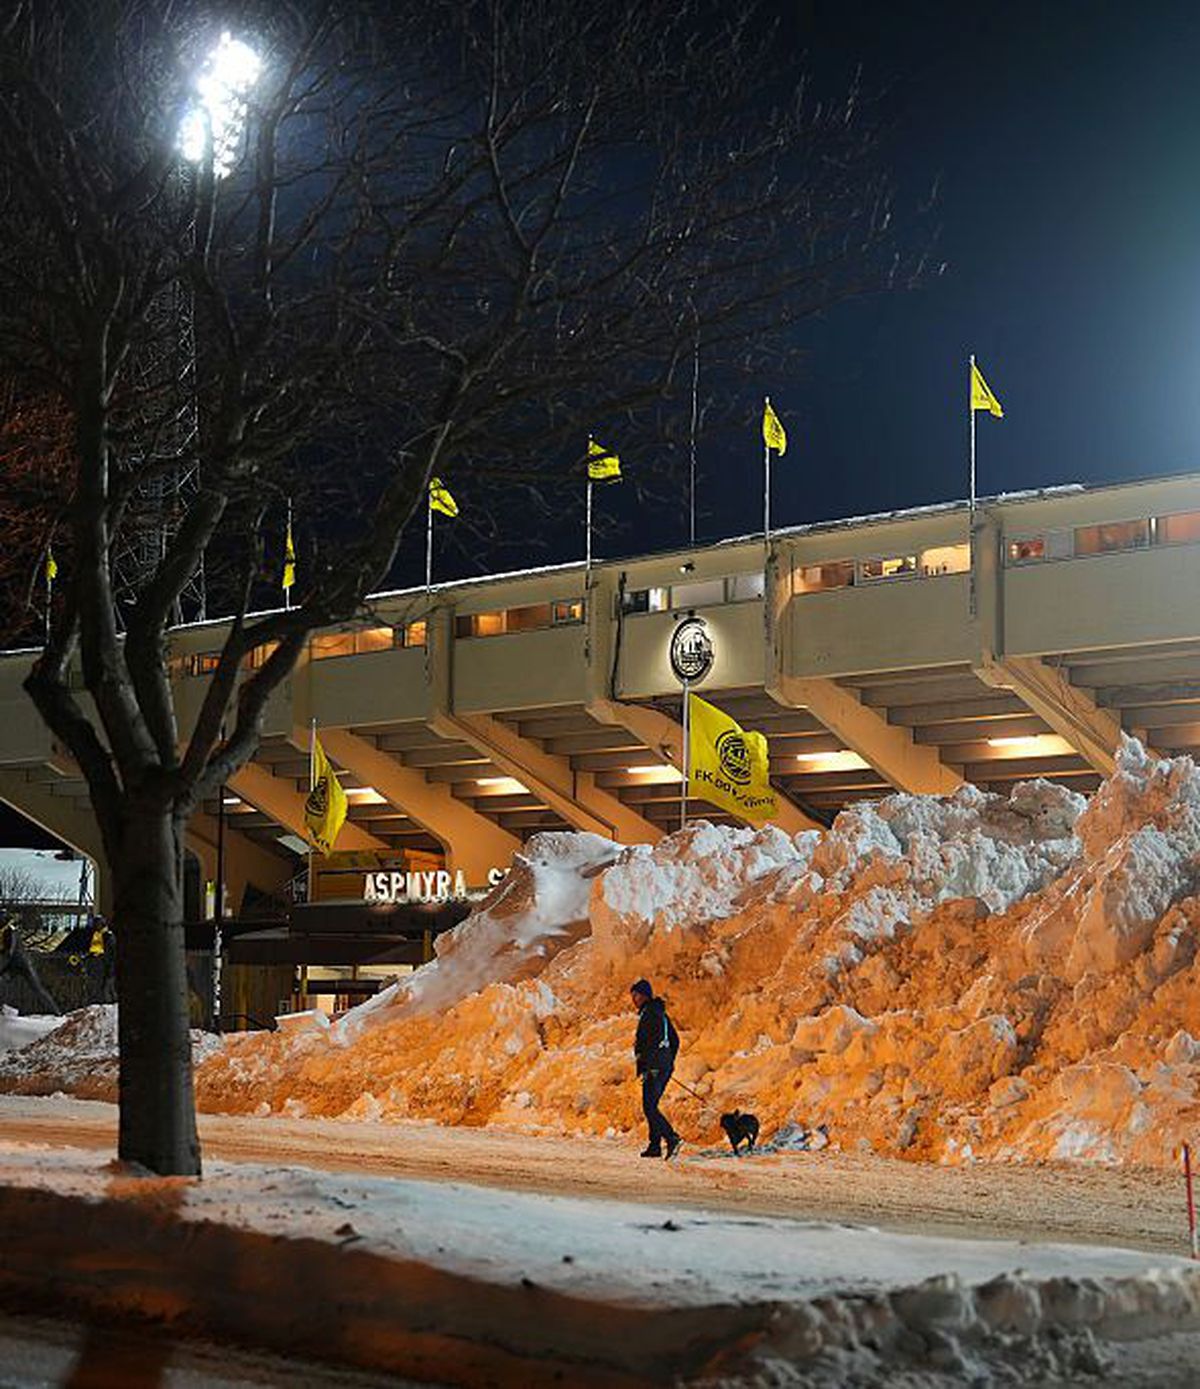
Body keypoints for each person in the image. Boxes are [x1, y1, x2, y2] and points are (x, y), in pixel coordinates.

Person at [630, 978, 681, 1159]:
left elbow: (649, 1043)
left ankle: (671, 1137)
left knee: (650, 1106)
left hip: (654, 1068)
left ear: (643, 995)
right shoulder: (659, 1014)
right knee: (651, 1105)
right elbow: (674, 1041)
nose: (633, 999)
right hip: (660, 1067)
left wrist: (654, 1063)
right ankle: (654, 1145)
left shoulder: (650, 1014)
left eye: (635, 995)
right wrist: (667, 1060)